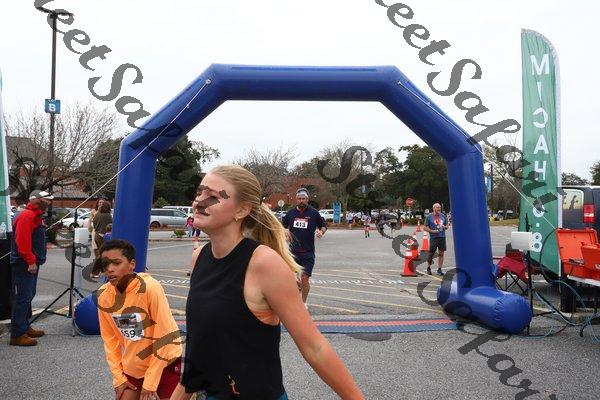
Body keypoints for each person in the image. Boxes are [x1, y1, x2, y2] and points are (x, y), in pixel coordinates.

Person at [170, 166, 363, 400]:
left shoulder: (265, 263)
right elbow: (200, 348)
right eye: (199, 193)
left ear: (242, 210)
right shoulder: (198, 258)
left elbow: (315, 347)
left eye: (212, 196)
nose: (199, 202)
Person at [97, 239, 183, 400]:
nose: (110, 269)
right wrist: (118, 378)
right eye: (105, 264)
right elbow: (110, 340)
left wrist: (150, 382)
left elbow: (164, 336)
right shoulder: (103, 296)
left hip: (166, 363)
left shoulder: (150, 288)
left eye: (116, 263)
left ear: (132, 264)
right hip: (135, 367)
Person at [9, 190, 53, 346]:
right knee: (23, 297)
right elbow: (22, 242)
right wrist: (30, 261)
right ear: (37, 200)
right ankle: (17, 334)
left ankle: (24, 326)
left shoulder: (34, 216)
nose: (48, 203)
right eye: (46, 200)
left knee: (28, 295)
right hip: (24, 264)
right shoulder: (27, 216)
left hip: (28, 263)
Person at [282, 187, 327, 305]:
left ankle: (303, 303)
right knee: (292, 279)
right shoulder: (291, 213)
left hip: (308, 252)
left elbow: (323, 226)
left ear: (307, 199)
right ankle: (297, 293)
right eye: (299, 198)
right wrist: (285, 231)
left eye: (303, 198)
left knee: (304, 279)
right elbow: (282, 225)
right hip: (293, 252)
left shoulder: (314, 213)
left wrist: (321, 232)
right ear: (296, 199)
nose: (301, 201)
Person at [423, 203, 449, 276]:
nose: (439, 209)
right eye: (437, 207)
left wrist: (444, 227)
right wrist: (432, 231)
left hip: (442, 237)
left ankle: (439, 269)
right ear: (433, 208)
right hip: (433, 238)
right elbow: (424, 227)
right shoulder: (429, 216)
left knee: (441, 254)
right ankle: (428, 267)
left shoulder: (443, 216)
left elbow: (447, 226)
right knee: (431, 253)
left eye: (439, 207)